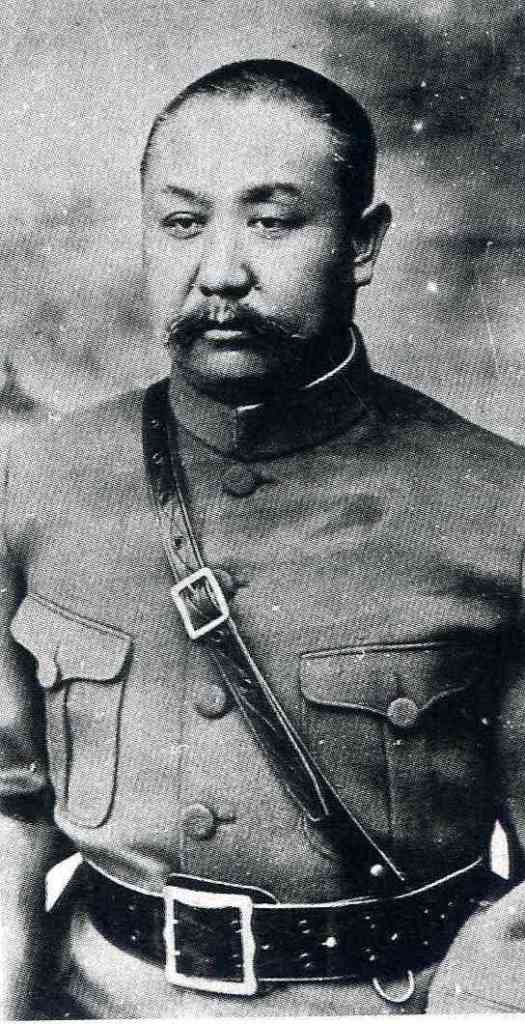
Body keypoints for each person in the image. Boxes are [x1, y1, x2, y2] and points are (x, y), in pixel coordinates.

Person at [1, 58, 525, 1019]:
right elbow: (7, 808)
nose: (220, 272)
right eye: (182, 222)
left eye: (272, 221)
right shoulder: (37, 482)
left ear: (360, 242)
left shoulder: (500, 508)